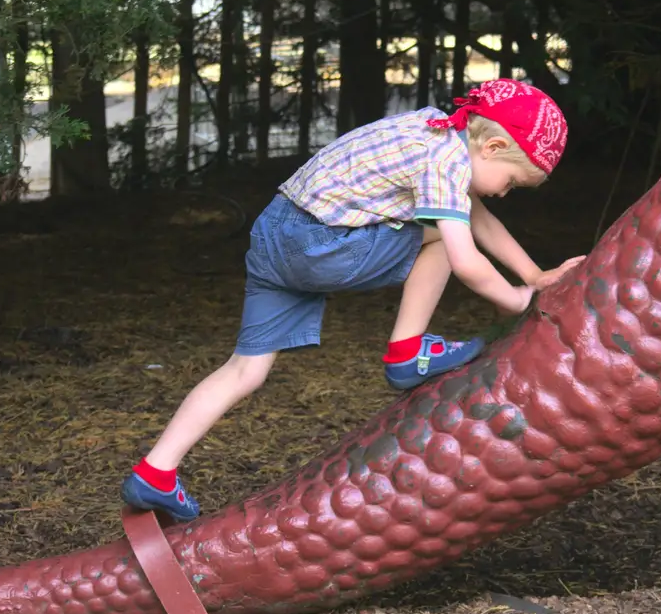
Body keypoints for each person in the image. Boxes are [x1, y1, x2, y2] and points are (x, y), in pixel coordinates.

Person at [120, 80, 585, 522]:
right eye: (511, 182)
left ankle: (155, 472)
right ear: (493, 147)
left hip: (276, 233)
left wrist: (533, 274)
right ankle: (408, 351)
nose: (505, 193)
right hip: (317, 244)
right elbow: (465, 258)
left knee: (246, 369)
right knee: (443, 240)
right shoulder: (445, 159)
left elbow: (476, 216)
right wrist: (517, 301)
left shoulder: (435, 133)